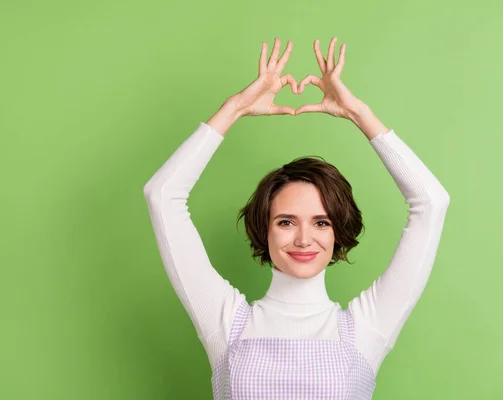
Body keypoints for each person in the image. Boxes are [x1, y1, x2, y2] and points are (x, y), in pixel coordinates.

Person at [143, 36, 450, 400]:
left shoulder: (368, 329)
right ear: (265, 229)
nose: (304, 239)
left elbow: (431, 201)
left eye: (321, 222)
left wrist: (359, 114)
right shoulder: (226, 325)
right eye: (286, 222)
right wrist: (235, 108)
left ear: (338, 231)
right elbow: (162, 195)